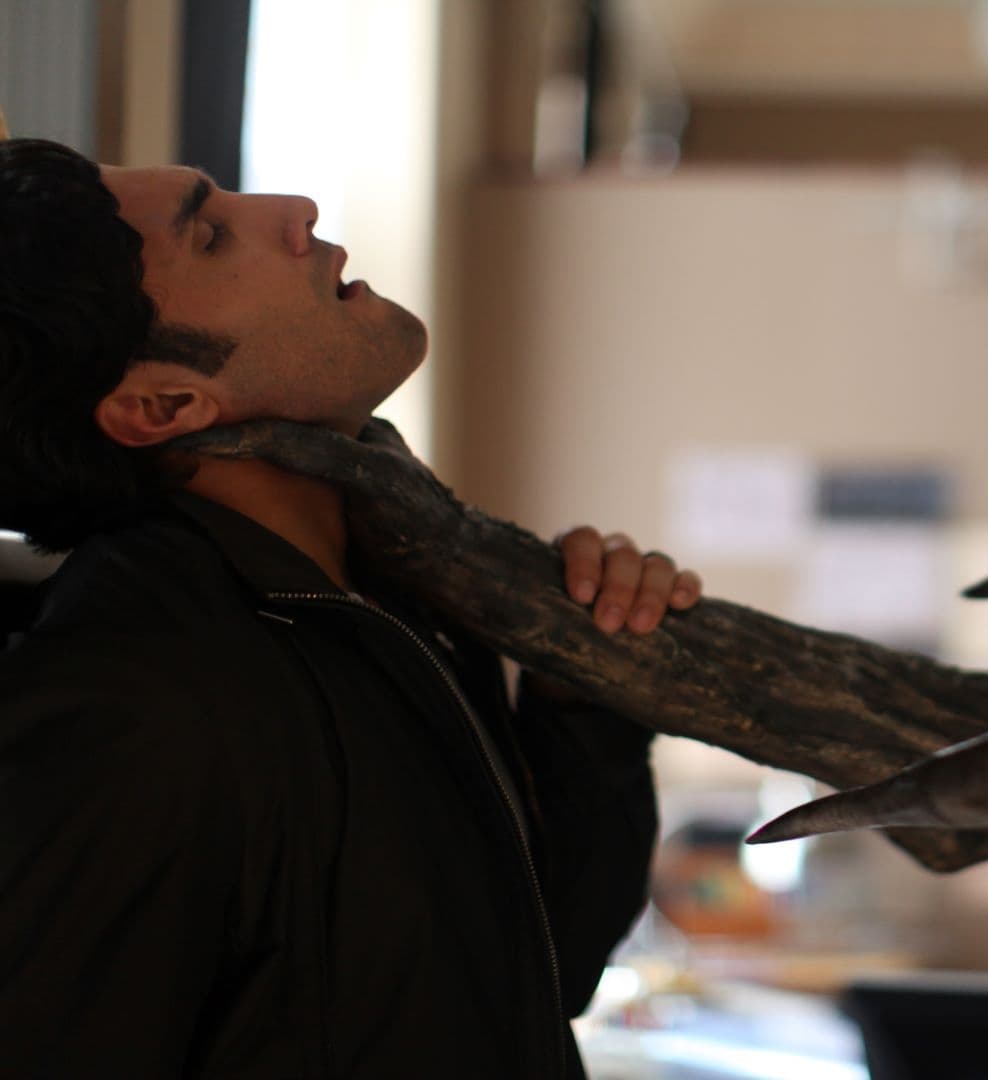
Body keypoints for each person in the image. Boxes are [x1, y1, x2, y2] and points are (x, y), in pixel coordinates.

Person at [0, 136, 698, 1077]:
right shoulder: (133, 708)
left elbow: (531, 981)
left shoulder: (382, 599)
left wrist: (582, 705)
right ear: (162, 405)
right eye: (210, 233)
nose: (294, 209)